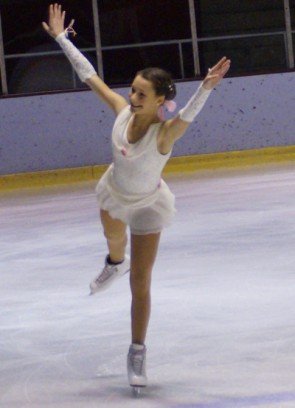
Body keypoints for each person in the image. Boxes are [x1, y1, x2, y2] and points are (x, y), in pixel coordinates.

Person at [43, 3, 230, 390]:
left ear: (161, 100)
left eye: (142, 93)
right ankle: (114, 261)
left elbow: (189, 117)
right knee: (114, 243)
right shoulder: (120, 110)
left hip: (147, 204)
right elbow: (90, 76)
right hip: (115, 192)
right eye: (133, 89)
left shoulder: (163, 135)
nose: (132, 96)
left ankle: (137, 350)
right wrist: (62, 39)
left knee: (141, 282)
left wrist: (206, 88)